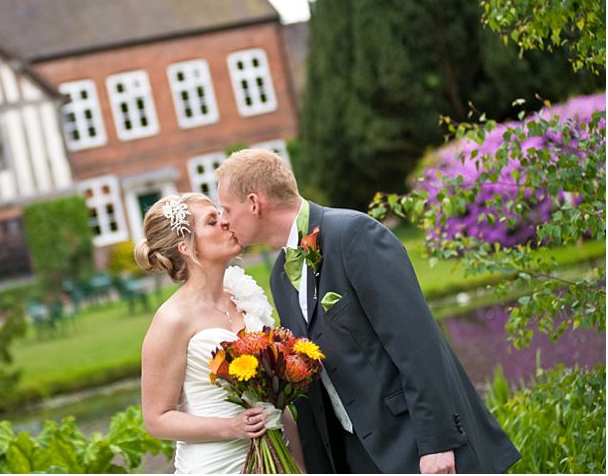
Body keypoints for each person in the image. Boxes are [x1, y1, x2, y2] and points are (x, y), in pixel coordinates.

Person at [216, 149, 521, 474]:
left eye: (226, 209)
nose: (223, 220)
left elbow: (417, 344)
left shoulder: (354, 234)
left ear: (254, 203)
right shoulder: (280, 276)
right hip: (355, 456)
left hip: (413, 443)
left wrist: (437, 443)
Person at [136, 192, 305, 473]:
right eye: (212, 221)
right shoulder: (172, 319)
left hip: (275, 460)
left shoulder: (245, 298)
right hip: (215, 465)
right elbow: (157, 419)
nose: (226, 222)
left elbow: (275, 400)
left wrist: (300, 465)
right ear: (186, 248)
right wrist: (231, 427)